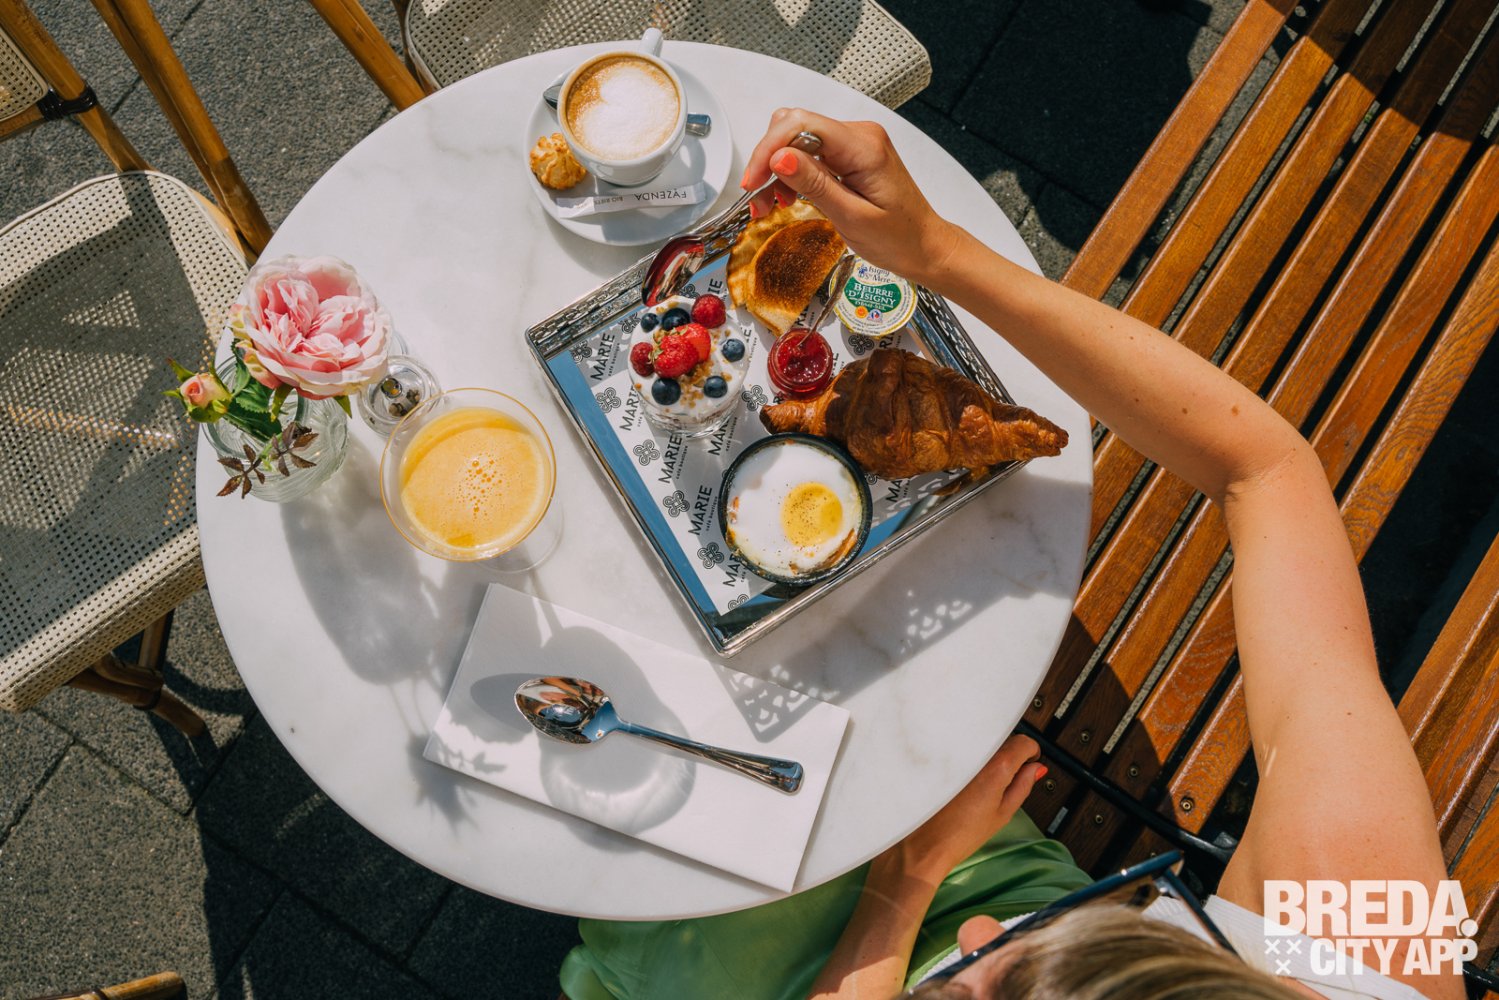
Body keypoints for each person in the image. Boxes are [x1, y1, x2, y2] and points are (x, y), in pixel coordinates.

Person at [558, 109, 1462, 1000]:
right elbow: (1266, 472)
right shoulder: (1365, 928)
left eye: (967, 991)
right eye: (1064, 942)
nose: (982, 935)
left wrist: (902, 890)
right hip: (972, 860)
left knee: (647, 849)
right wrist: (932, 252)